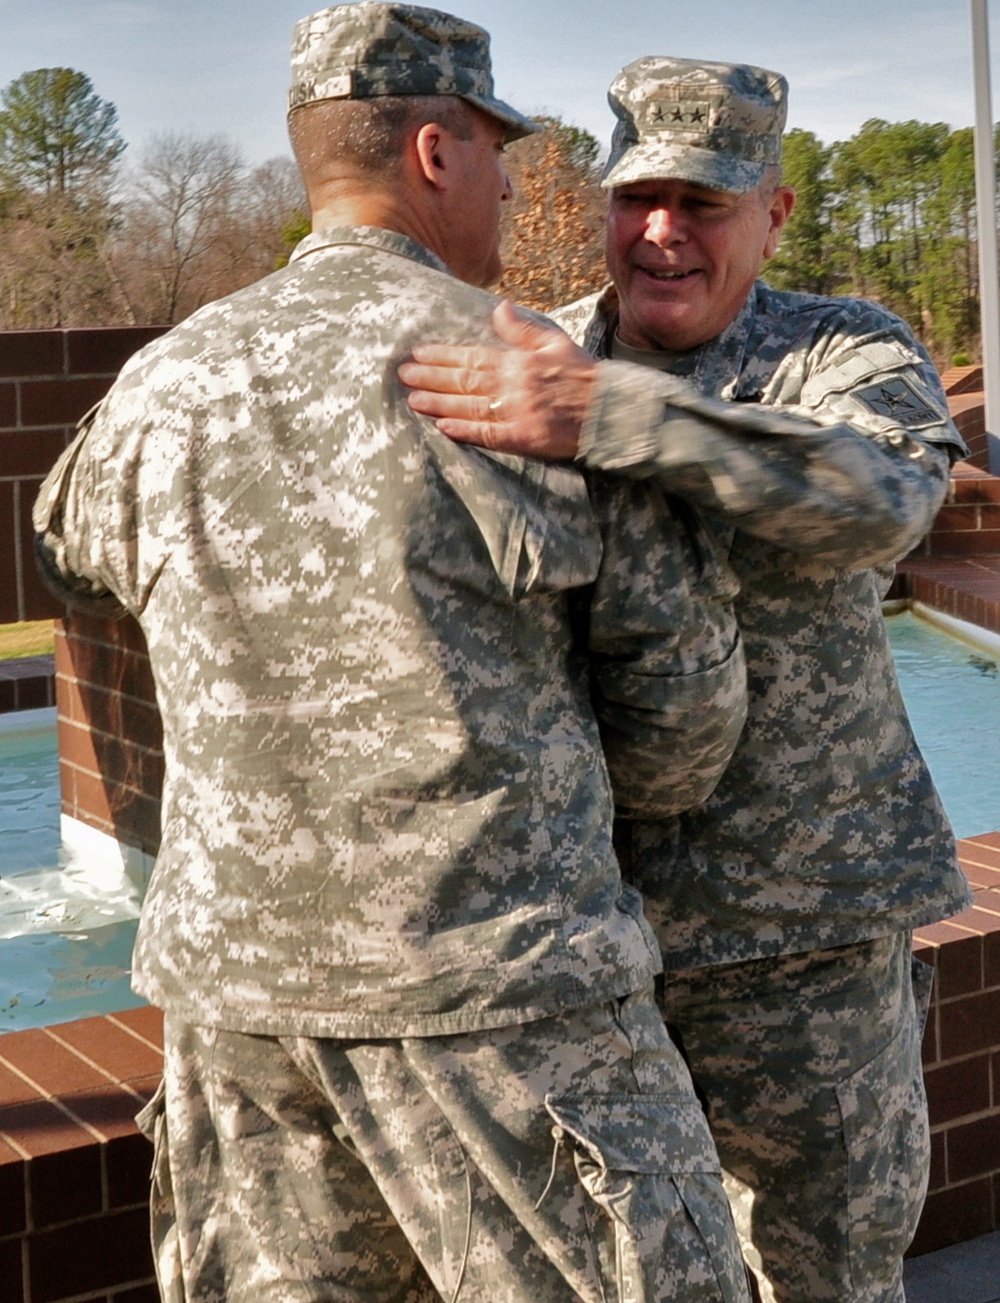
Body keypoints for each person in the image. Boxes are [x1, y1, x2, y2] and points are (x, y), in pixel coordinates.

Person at [33, 13, 754, 1303]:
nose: (517, 184)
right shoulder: (528, 373)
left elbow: (70, 560)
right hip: (504, 1009)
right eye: (498, 152)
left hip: (241, 1014)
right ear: (435, 149)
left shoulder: (159, 382)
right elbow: (685, 715)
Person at [399, 56, 974, 1303]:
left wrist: (611, 417)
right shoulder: (529, 349)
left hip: (802, 937)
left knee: (828, 1274)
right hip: (589, 943)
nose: (659, 232)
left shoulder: (839, 348)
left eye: (703, 203)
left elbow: (882, 503)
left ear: (770, 214)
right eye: (636, 197)